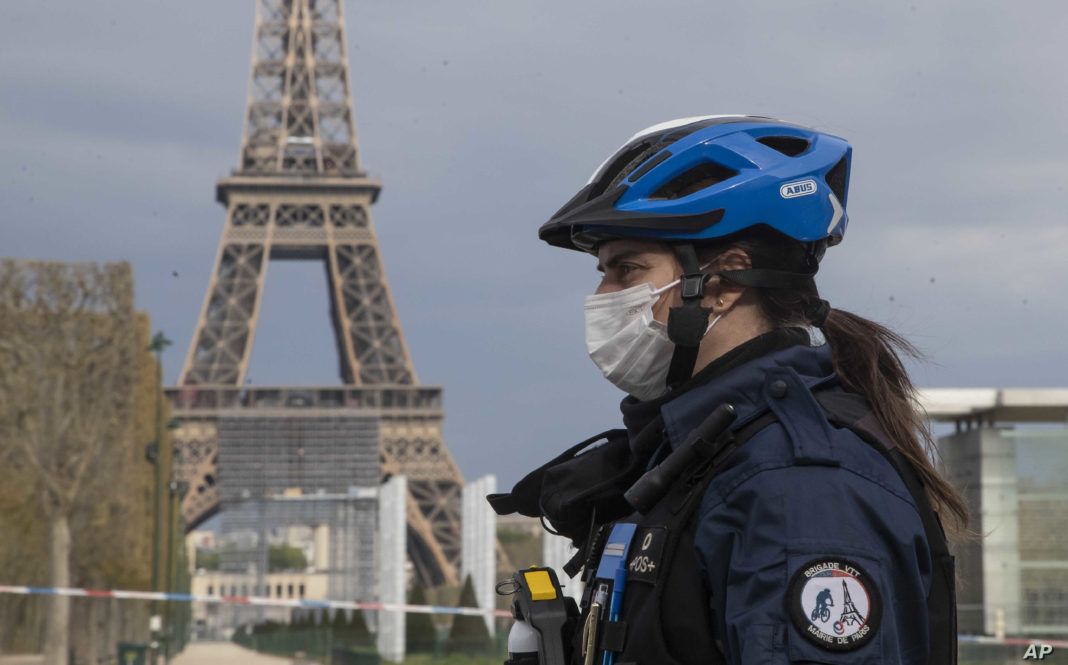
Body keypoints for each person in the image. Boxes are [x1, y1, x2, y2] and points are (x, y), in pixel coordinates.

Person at [490, 116, 967, 665]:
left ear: (721, 283)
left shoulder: (799, 488)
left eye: (626, 269)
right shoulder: (700, 456)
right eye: (602, 271)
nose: (602, 295)